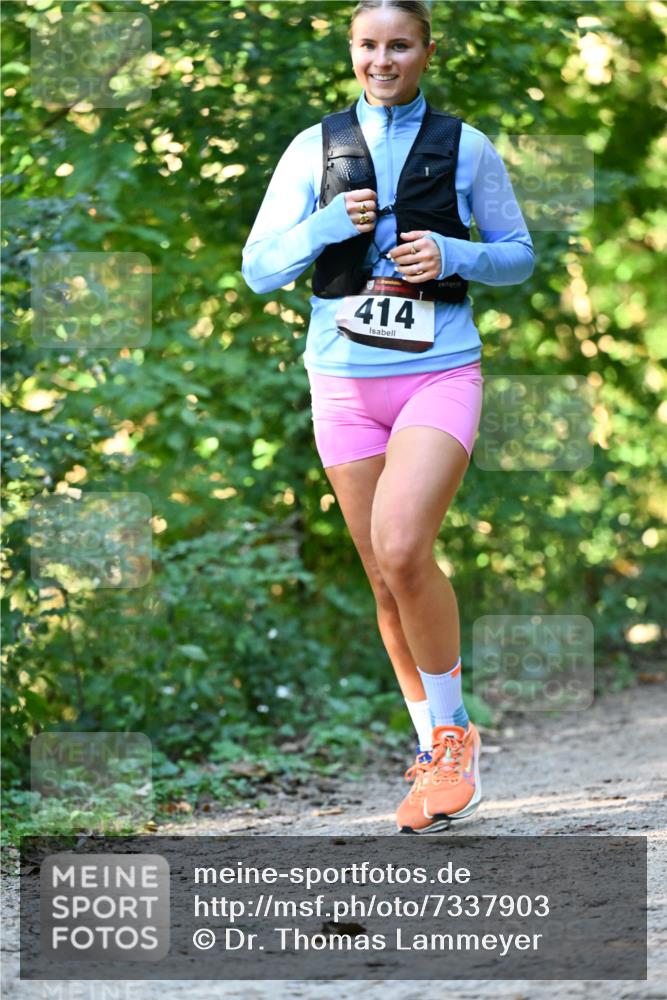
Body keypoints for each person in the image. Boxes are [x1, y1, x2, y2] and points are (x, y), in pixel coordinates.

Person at [242, 0, 535, 833]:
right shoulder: (313, 147)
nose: (383, 59)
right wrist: (325, 225)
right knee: (380, 574)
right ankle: (434, 754)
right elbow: (259, 268)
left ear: (425, 52)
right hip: (339, 380)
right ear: (351, 51)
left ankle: (454, 735)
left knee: (405, 548)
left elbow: (517, 255)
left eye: (398, 45)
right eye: (369, 45)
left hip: (437, 370)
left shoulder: (466, 146)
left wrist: (455, 253)